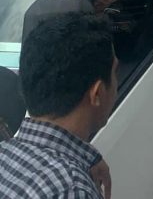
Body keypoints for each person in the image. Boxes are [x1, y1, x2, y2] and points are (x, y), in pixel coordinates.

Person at [0, 12, 118, 198]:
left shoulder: (6, 155)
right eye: (114, 73)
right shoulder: (73, 189)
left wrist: (84, 159)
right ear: (97, 93)